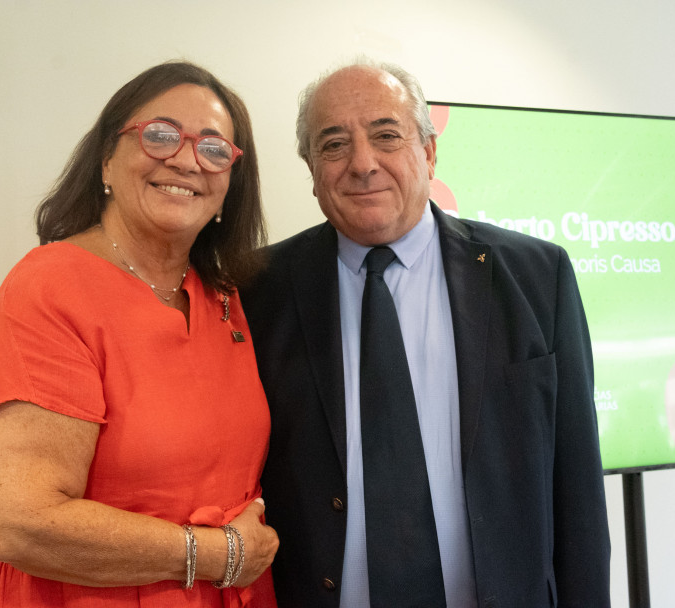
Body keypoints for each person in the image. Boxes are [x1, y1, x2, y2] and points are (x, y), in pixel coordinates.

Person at [240, 60, 610, 607]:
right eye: (334, 145)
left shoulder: (536, 276)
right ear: (312, 169)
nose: (363, 164)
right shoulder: (257, 291)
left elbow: (577, 491)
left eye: (386, 135)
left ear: (430, 151)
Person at [0, 61, 279, 607]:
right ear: (106, 159)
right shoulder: (54, 287)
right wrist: (217, 555)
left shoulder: (222, 295)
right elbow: (14, 520)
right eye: (160, 135)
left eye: (214, 148)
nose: (187, 160)